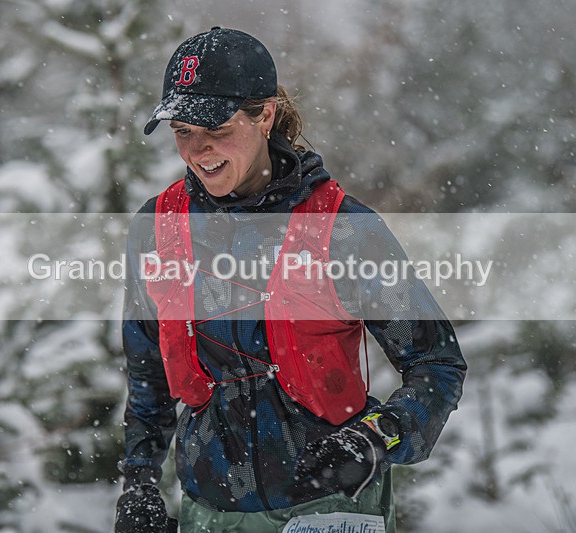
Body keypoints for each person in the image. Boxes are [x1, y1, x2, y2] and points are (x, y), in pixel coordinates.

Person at [115, 27, 466, 533]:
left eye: (217, 126)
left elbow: (437, 363)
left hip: (330, 508)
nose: (199, 149)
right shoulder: (157, 229)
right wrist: (140, 483)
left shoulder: (345, 231)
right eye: (183, 130)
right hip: (212, 511)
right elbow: (147, 373)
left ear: (266, 115)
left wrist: (377, 436)